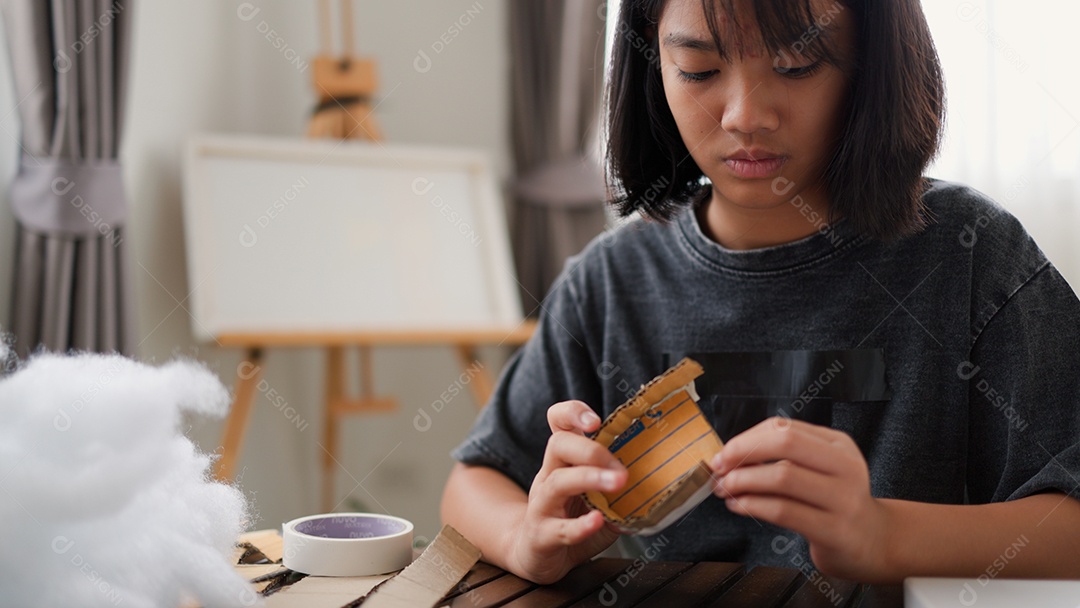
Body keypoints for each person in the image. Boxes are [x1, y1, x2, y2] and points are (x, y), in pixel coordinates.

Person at [441, 0, 1080, 585]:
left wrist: (883, 534)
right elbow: (476, 478)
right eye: (698, 69)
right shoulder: (610, 281)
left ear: (871, 61)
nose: (746, 115)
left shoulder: (972, 254)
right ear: (651, 59)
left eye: (797, 65)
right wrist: (525, 536)